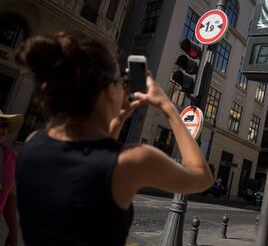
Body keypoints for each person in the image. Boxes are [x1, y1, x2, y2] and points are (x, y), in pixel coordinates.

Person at [14, 32, 214, 245]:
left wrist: (119, 119)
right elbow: (202, 178)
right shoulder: (134, 160)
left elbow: (91, 168)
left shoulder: (32, 144)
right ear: (110, 92)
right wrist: (168, 107)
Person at [0, 110, 22, 246]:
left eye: (4, 125)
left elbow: (11, 195)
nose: (2, 129)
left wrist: (13, 230)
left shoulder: (11, 157)